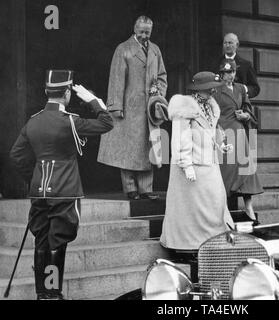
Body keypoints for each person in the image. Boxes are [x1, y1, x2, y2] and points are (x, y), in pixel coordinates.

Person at [9, 70, 114, 300]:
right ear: (67, 93)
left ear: (47, 92)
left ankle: (42, 294)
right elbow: (107, 122)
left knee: (42, 240)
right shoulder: (70, 121)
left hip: (39, 191)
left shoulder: (33, 121)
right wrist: (92, 100)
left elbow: (16, 155)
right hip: (64, 190)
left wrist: (33, 177)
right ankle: (53, 293)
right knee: (57, 242)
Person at [160, 72, 234, 251]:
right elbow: (180, 139)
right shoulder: (185, 108)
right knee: (191, 208)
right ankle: (189, 245)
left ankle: (213, 241)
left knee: (216, 200)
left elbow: (210, 131)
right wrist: (186, 165)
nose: (212, 92)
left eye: (212, 89)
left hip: (209, 164)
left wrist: (220, 145)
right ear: (198, 90)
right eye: (208, 89)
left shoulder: (210, 106)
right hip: (191, 165)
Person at [97, 16, 167, 200]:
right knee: (128, 149)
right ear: (134, 29)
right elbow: (116, 78)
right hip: (130, 107)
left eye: (148, 32)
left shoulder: (155, 50)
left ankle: (146, 189)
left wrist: (158, 93)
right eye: (142, 32)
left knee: (148, 147)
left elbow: (162, 76)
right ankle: (131, 189)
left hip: (149, 108)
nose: (145, 35)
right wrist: (115, 106)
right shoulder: (124, 49)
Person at [213, 59, 263, 224]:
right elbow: (212, 113)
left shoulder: (241, 88)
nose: (230, 75)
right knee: (226, 171)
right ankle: (224, 211)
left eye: (232, 72)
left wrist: (246, 116)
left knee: (245, 170)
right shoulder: (216, 90)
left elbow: (248, 108)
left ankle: (249, 208)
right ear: (221, 73)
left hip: (240, 132)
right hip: (224, 133)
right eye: (227, 72)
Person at [218, 33, 260, 99]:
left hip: (239, 104)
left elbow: (255, 88)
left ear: (237, 45)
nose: (227, 45)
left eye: (230, 43)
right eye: (225, 43)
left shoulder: (246, 65)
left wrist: (244, 89)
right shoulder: (216, 62)